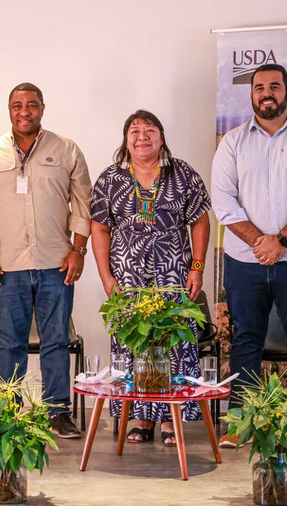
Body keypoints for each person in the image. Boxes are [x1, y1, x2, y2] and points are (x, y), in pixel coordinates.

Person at [211, 63, 287, 454]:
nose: (267, 93)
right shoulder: (231, 143)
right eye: (260, 87)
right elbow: (224, 202)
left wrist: (279, 241)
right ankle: (240, 423)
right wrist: (259, 243)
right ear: (251, 95)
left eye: (275, 87)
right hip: (244, 262)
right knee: (245, 340)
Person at [0, 82, 91, 439]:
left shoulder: (66, 150)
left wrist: (77, 251)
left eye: (32, 105)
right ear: (9, 109)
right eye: (18, 105)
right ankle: (7, 412)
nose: (25, 111)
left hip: (56, 264)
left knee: (56, 341)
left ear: (43, 108)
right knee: (11, 342)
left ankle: (58, 413)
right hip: (8, 266)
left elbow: (83, 205)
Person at [90, 109, 211, 446]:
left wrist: (197, 268)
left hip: (174, 275)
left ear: (161, 138)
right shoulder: (110, 179)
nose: (142, 136)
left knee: (174, 343)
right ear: (125, 140)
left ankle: (172, 421)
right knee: (134, 344)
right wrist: (105, 276)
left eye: (149, 130)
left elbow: (200, 220)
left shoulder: (181, 173)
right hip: (127, 278)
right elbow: (99, 228)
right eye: (135, 131)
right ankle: (141, 417)